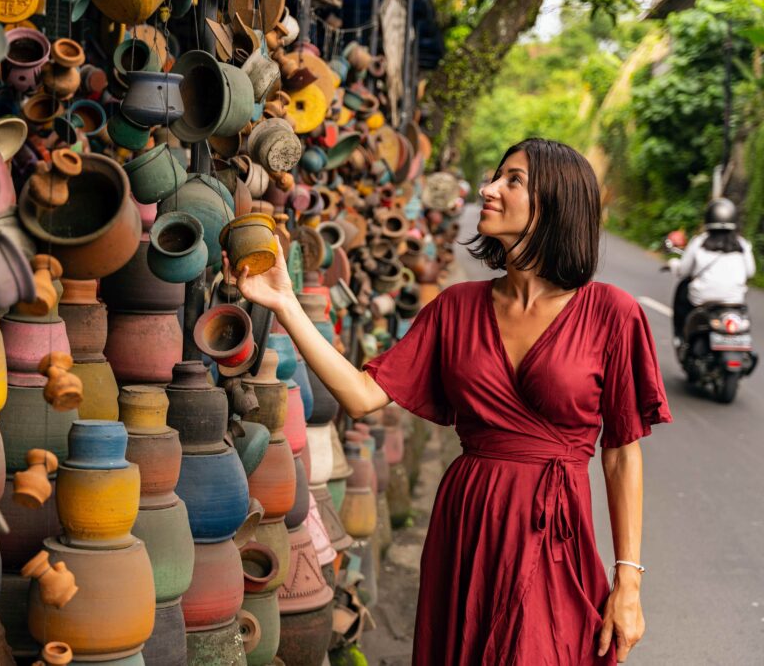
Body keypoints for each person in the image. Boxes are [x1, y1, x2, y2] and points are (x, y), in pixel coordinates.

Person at [227, 138, 671, 665]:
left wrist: (629, 582)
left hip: (556, 532)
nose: (486, 190)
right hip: (469, 522)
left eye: (513, 181)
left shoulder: (612, 314)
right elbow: (363, 395)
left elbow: (622, 453)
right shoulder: (455, 309)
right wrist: (284, 302)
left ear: (555, 203)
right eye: (494, 176)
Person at [669, 197, 756, 342]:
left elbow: (684, 271)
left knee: (683, 290)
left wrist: (673, 264)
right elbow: (751, 272)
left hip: (702, 299)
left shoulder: (699, 242)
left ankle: (680, 336)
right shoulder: (742, 244)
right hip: (735, 301)